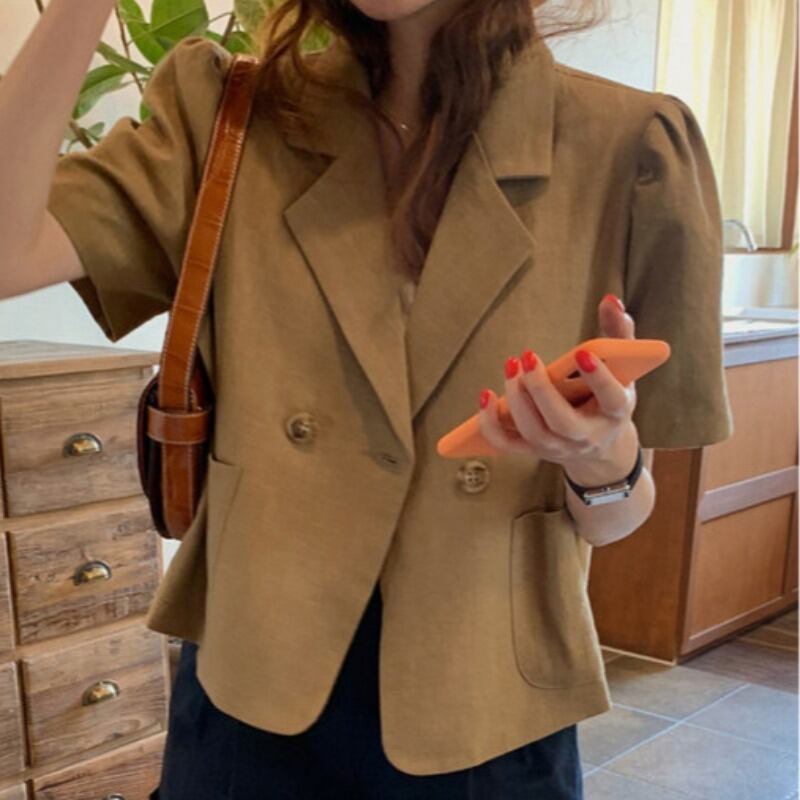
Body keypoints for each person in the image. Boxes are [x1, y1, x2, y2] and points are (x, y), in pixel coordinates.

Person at [0, 0, 734, 797]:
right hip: (256, 686)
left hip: (481, 706)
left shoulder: (630, 146)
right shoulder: (231, 120)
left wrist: (600, 459)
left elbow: (624, 515)